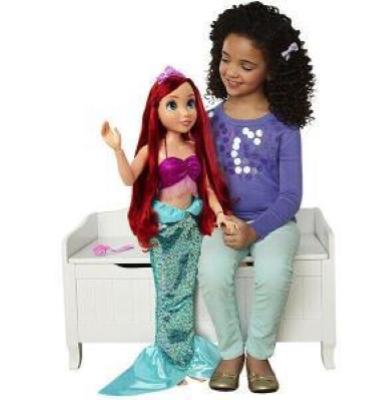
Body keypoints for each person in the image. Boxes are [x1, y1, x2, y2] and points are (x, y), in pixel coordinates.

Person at [98, 66, 238, 396]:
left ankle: (185, 354)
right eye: (173, 104)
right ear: (156, 109)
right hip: (165, 231)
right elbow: (129, 180)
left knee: (186, 292)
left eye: (190, 103)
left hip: (191, 227)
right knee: (168, 295)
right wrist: (117, 149)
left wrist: (219, 213)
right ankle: (170, 357)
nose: (185, 112)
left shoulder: (194, 146)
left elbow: (207, 186)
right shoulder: (153, 149)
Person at [198, 1, 315, 393]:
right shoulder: (209, 122)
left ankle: (259, 354)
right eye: (225, 59)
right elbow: (204, 182)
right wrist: (223, 219)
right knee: (212, 273)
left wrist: (254, 230)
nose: (231, 71)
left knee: (273, 273)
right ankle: (231, 350)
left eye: (246, 66)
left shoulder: (284, 126)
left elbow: (291, 195)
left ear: (272, 70)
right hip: (224, 221)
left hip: (275, 222)